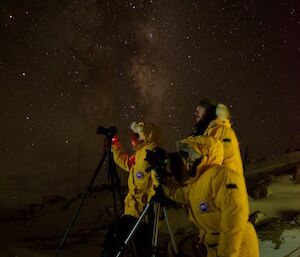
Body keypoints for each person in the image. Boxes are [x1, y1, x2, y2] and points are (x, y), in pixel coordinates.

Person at [165, 136, 259, 257]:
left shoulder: (222, 175)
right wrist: (162, 181)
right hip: (214, 248)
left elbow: (234, 220)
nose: (186, 160)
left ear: (203, 154)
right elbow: (177, 194)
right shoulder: (194, 183)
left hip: (239, 249)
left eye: (187, 155)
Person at [101, 121, 160, 257]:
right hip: (132, 209)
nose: (133, 139)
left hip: (142, 211)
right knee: (140, 248)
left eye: (136, 135)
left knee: (114, 238)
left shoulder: (152, 152)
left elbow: (157, 183)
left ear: (146, 136)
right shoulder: (140, 154)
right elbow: (126, 162)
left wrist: (151, 207)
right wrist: (115, 143)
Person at [193, 98, 244, 177]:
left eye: (199, 109)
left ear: (208, 110)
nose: (195, 112)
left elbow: (227, 165)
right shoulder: (205, 133)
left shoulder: (223, 131)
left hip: (225, 185)